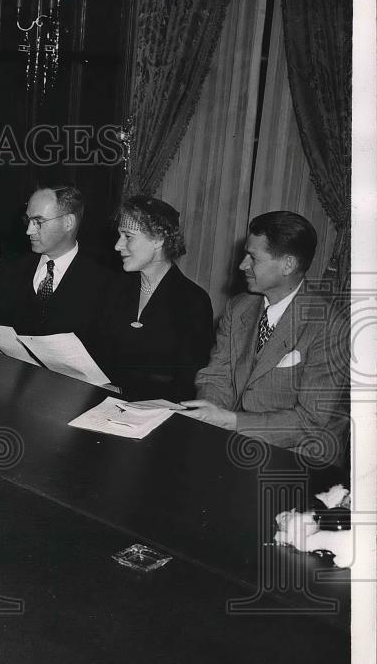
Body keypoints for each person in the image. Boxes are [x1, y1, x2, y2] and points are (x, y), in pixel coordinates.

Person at [181, 211, 347, 463]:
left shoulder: (329, 327)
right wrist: (208, 414)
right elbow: (216, 376)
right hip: (235, 441)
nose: (242, 265)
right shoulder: (239, 307)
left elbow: (309, 421)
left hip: (298, 458)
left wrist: (231, 421)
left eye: (253, 257)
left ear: (287, 265)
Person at [93, 196, 214, 401]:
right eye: (119, 236)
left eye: (128, 236)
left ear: (158, 239)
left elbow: (188, 382)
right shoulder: (112, 288)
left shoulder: (193, 301)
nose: (117, 245)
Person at [0, 184, 113, 353]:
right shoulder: (8, 268)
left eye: (38, 222)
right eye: (28, 220)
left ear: (68, 222)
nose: (28, 230)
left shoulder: (104, 283)